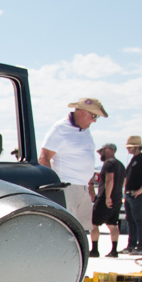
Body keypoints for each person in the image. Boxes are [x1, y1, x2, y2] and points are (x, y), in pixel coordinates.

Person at [40, 98, 105, 245]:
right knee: (65, 231)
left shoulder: (85, 131)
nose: (94, 121)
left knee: (81, 231)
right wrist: (54, 188)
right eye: (94, 116)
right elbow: (44, 158)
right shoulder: (60, 129)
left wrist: (89, 186)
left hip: (83, 188)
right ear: (83, 112)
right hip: (67, 187)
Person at [90, 142, 125, 256]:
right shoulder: (121, 164)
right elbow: (124, 181)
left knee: (93, 223)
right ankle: (114, 250)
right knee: (112, 224)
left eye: (102, 151)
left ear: (108, 149)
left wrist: (107, 197)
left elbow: (110, 179)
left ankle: (95, 250)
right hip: (117, 199)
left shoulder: (108, 163)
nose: (100, 154)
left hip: (106, 198)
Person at [122, 135, 142, 254]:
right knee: (130, 219)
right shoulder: (133, 160)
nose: (128, 149)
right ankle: (131, 245)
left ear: (136, 147)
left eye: (130, 147)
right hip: (129, 194)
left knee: (139, 219)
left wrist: (141, 189)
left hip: (137, 194)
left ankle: (141, 246)